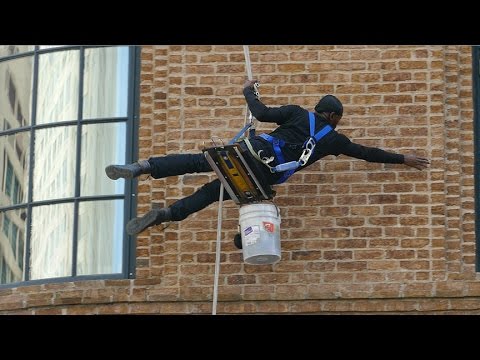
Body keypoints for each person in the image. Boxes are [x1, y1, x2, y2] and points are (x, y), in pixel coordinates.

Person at [105, 79, 430, 236]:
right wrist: (403, 158)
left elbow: (259, 112)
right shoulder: (334, 139)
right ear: (333, 117)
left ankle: (142, 167)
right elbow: (368, 154)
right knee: (209, 194)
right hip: (261, 178)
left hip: (246, 154)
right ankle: (163, 215)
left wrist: (249, 90)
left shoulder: (296, 113)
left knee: (195, 162)